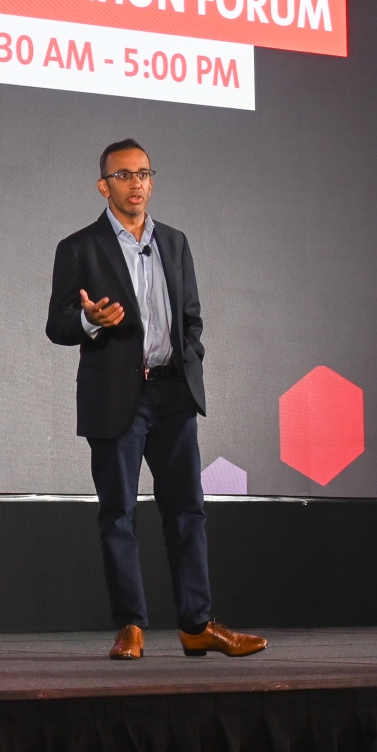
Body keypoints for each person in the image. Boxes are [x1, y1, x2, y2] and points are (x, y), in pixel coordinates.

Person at [46, 139, 267, 661]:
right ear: (103, 186)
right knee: (118, 513)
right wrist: (90, 322)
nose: (136, 183)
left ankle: (197, 625)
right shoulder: (79, 247)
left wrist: (190, 360)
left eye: (143, 173)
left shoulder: (174, 241)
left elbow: (191, 317)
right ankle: (130, 626)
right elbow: (57, 325)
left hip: (173, 395)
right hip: (115, 397)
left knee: (187, 511)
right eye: (123, 175)